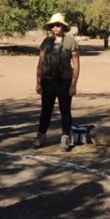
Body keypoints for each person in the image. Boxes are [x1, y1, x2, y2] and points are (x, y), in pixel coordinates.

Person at [32, 13, 80, 151]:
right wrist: (38, 82)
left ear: (63, 27)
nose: (55, 28)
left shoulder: (71, 42)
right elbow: (40, 63)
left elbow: (76, 64)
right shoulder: (46, 42)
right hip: (48, 81)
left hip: (65, 81)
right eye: (53, 25)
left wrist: (73, 84)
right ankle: (41, 136)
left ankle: (65, 137)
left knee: (65, 111)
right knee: (45, 111)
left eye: (58, 25)